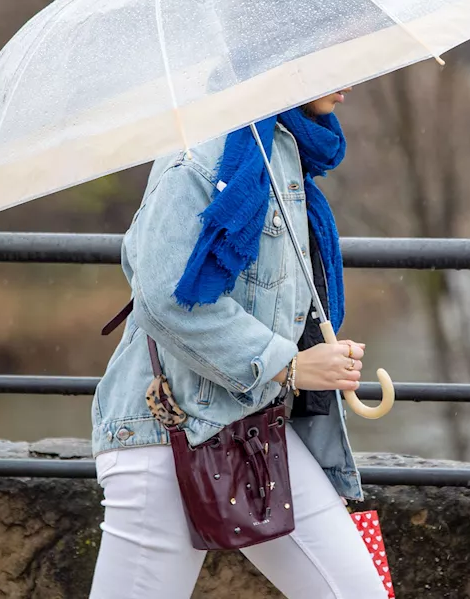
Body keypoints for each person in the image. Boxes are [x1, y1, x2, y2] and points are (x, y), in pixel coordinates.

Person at [88, 88, 387, 598]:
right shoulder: (203, 150)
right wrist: (287, 366)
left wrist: (311, 357)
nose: (350, 84)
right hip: (167, 435)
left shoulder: (275, 146)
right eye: (333, 62)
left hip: (253, 433)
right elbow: (162, 296)